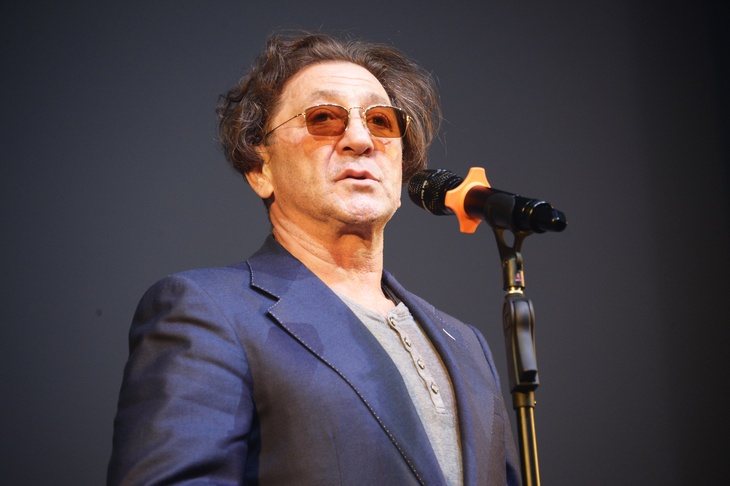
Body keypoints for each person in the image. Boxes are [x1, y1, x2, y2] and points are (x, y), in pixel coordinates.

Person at [108, 30, 521, 485]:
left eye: (381, 121)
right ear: (260, 168)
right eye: (324, 118)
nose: (360, 139)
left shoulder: (467, 345)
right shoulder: (208, 311)